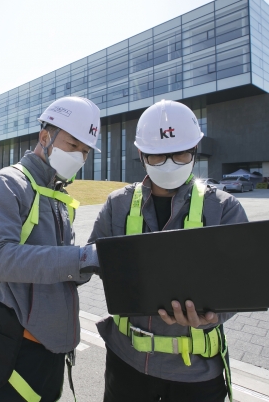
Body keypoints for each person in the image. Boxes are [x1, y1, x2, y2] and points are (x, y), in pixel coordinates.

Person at [87, 100, 248, 402]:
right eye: (158, 155)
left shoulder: (224, 208)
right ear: (141, 154)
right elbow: (93, 259)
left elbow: (239, 283)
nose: (170, 162)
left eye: (180, 153)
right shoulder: (118, 204)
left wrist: (210, 316)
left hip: (195, 372)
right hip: (127, 362)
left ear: (195, 150)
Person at [0, 96, 102, 401]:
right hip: (15, 350)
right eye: (73, 144)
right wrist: (79, 259)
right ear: (45, 137)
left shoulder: (57, 194)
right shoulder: (7, 185)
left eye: (85, 151)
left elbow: (59, 265)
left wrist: (86, 267)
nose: (80, 156)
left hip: (50, 350)